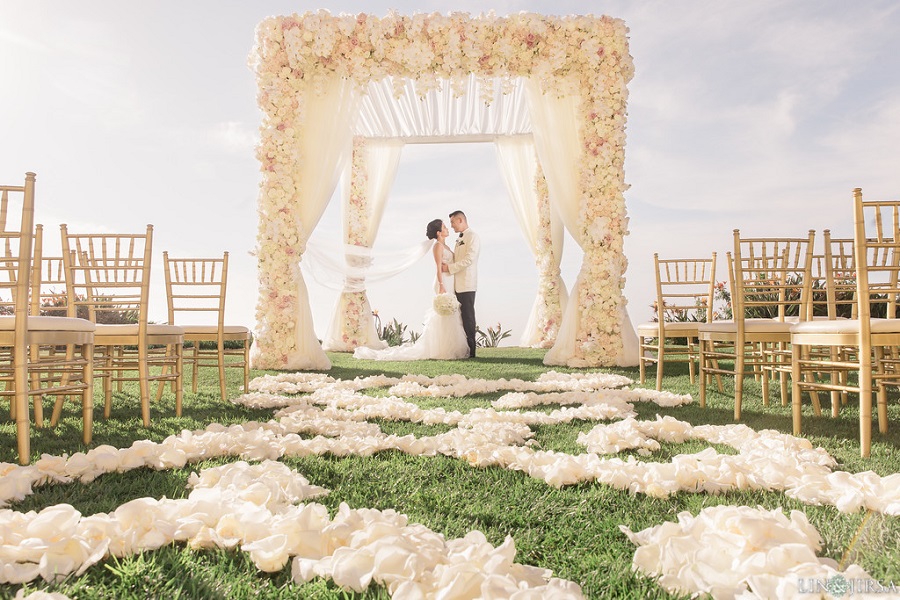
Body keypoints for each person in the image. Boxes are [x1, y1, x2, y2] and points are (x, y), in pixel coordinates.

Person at [353, 219, 469, 361]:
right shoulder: (438, 246)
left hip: (450, 279)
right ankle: (441, 348)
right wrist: (441, 284)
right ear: (439, 233)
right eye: (444, 227)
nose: (447, 228)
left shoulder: (446, 246)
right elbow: (438, 267)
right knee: (442, 313)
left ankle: (451, 346)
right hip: (443, 280)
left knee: (451, 312)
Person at [443, 210, 480, 358]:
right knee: (460, 317)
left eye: (452, 222)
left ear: (460, 220)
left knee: (468, 316)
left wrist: (450, 268)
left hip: (467, 283)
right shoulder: (459, 239)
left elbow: (469, 259)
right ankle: (462, 348)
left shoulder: (473, 236)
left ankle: (471, 350)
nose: (451, 226)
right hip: (456, 284)